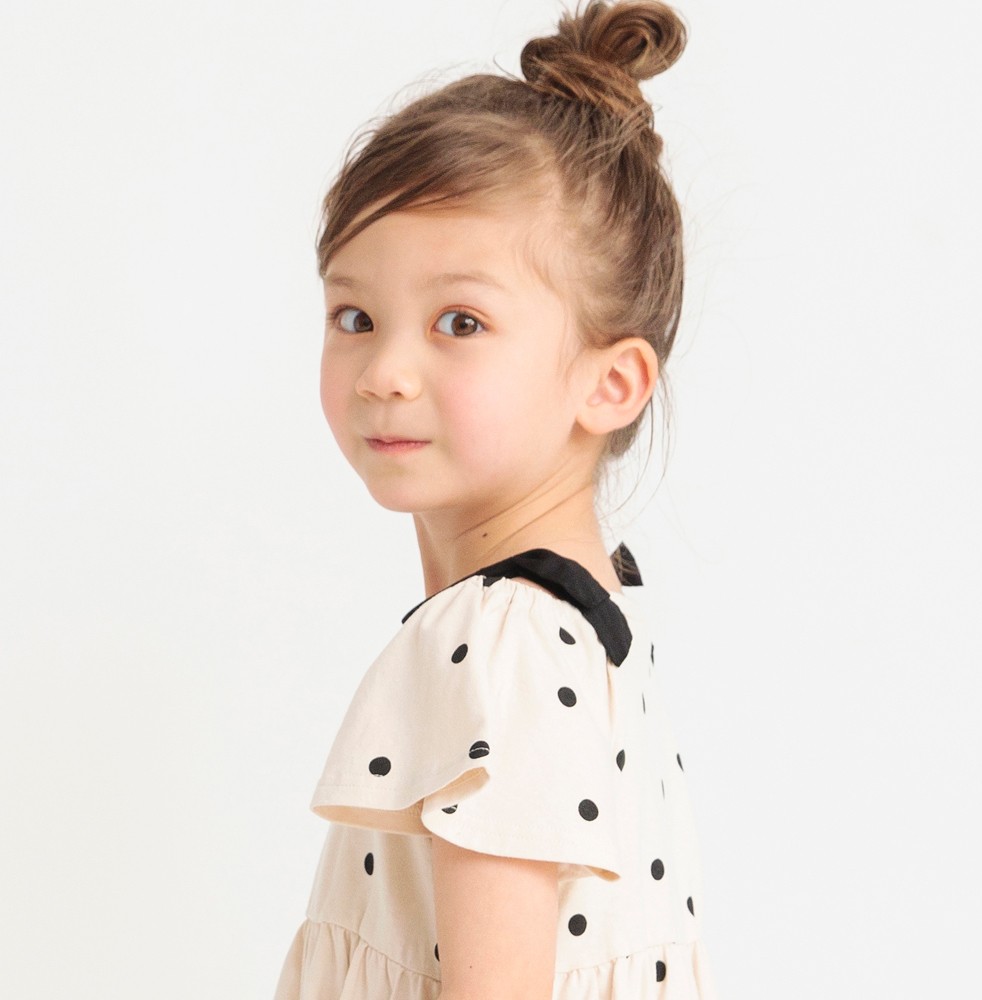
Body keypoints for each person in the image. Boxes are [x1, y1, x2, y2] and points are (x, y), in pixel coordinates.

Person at [274, 1, 718, 997]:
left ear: (609, 383)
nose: (384, 372)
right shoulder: (581, 611)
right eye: (355, 315)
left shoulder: (502, 640)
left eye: (460, 322)